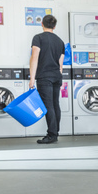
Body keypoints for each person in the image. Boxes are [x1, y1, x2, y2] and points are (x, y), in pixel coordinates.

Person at [29, 14, 65, 144]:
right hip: (57, 76)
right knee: (55, 104)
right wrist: (58, 76)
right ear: (54, 26)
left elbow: (35, 58)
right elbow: (61, 64)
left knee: (48, 105)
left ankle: (51, 135)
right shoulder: (60, 41)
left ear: (42, 24)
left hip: (44, 76)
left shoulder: (38, 38)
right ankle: (55, 133)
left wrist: (32, 78)